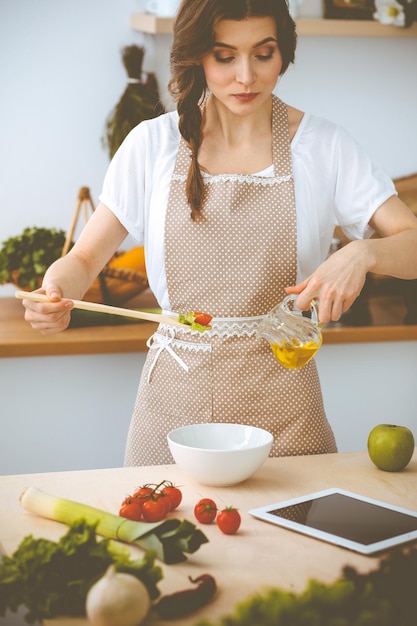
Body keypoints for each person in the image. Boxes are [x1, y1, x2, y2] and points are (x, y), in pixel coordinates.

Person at [22, 0, 417, 466]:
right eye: (225, 56)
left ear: (283, 53)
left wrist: (363, 254)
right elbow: (86, 259)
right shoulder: (153, 144)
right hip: (174, 409)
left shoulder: (324, 146)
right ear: (198, 57)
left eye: (263, 54)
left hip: (286, 409)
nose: (246, 76)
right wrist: (56, 289)